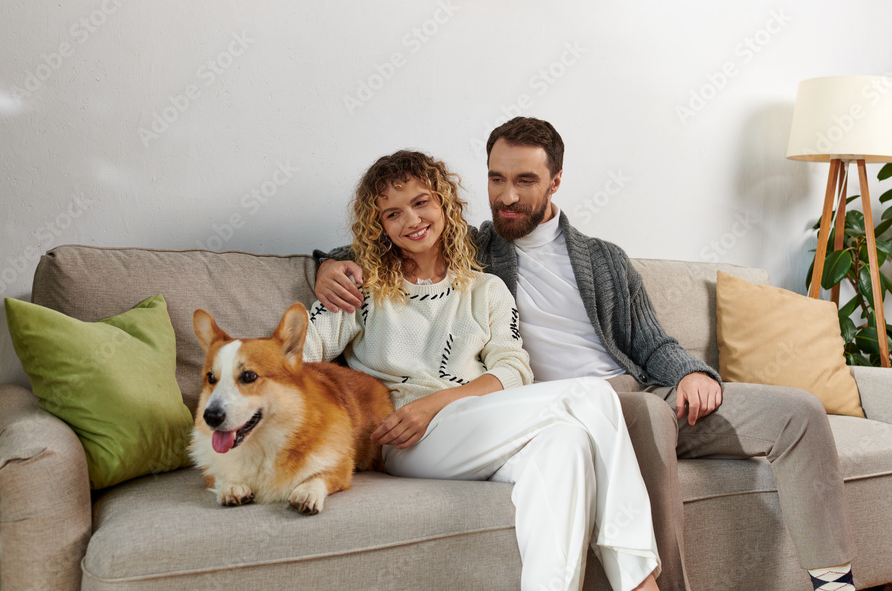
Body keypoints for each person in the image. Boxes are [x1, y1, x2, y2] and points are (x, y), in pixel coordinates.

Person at [314, 118, 857, 591]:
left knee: (799, 412)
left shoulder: (603, 258)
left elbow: (651, 342)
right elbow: (393, 245)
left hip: (638, 391)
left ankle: (833, 581)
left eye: (524, 180)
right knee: (630, 414)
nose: (506, 196)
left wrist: (691, 371)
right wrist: (327, 266)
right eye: (496, 178)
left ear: (555, 181)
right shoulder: (476, 248)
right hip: (566, 405)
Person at [303, 149, 661, 591]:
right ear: (379, 226)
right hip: (404, 438)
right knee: (593, 396)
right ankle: (641, 582)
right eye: (392, 213)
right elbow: (300, 356)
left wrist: (434, 404)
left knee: (565, 444)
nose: (411, 220)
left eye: (421, 202)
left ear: (444, 203)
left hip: (467, 421)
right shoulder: (364, 287)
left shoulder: (487, 288)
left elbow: (513, 370)